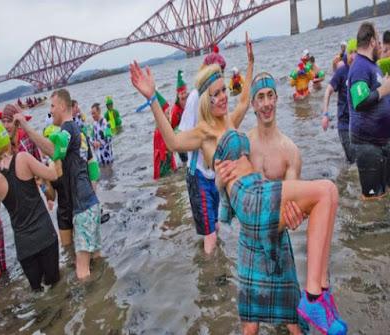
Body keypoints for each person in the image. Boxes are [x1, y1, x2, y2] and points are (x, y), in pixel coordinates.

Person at [131, 56, 347, 334]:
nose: (223, 97)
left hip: (257, 190)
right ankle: (314, 297)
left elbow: (245, 100)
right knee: (324, 192)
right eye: (216, 93)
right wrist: (152, 99)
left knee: (329, 192)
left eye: (224, 91)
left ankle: (321, 294)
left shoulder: (230, 122)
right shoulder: (204, 133)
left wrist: (250, 64)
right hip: (248, 196)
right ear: (206, 100)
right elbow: (172, 142)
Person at [216, 72, 309, 334]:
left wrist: (295, 216)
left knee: (294, 320)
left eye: (270, 96)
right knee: (250, 325)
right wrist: (219, 182)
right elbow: (224, 188)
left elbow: (295, 201)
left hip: (278, 241)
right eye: (260, 97)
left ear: (277, 99)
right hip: (249, 242)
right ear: (253, 104)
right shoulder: (243, 145)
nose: (266, 103)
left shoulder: (290, 150)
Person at [13, 89, 101, 280]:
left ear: (62, 106)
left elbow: (53, 150)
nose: (51, 110)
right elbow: (91, 168)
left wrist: (26, 128)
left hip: (83, 208)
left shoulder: (67, 129)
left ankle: (93, 307)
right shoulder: (77, 129)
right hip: (91, 204)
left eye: (52, 106)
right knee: (97, 259)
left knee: (82, 271)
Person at [177, 35, 246, 254]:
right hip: (197, 173)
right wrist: (203, 138)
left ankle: (211, 261)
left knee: (214, 226)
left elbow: (233, 116)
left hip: (212, 174)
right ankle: (212, 275)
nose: (222, 76)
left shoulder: (219, 93)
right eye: (219, 70)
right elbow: (182, 134)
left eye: (223, 71)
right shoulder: (196, 97)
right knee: (211, 233)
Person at [0, 123, 60, 291]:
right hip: (45, 235)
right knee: (57, 286)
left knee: (37, 292)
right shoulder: (23, 158)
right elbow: (53, 174)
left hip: (25, 246)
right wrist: (51, 162)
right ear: (7, 142)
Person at [347, 22, 390, 199]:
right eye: (378, 42)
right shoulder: (359, 67)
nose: (380, 46)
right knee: (372, 199)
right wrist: (384, 90)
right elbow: (360, 100)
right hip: (367, 144)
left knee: (384, 193)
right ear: (372, 41)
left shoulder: (372, 65)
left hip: (380, 142)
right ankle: (368, 227)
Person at [322, 39, 358, 164]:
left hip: (359, 123)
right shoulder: (342, 71)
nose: (353, 56)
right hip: (344, 124)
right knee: (353, 160)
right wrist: (325, 114)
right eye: (351, 52)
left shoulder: (361, 70)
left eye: (356, 52)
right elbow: (327, 91)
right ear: (347, 54)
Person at [153, 92, 177, 179]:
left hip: (168, 157)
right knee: (165, 177)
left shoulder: (166, 127)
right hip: (162, 161)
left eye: (169, 112)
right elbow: (162, 149)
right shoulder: (159, 131)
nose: (169, 115)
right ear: (161, 116)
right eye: (167, 113)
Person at [170, 70, 189, 164]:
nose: (184, 95)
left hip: (189, 133)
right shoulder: (175, 110)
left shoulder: (190, 102)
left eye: (185, 92)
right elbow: (172, 128)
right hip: (180, 137)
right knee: (185, 160)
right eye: (181, 94)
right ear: (178, 95)